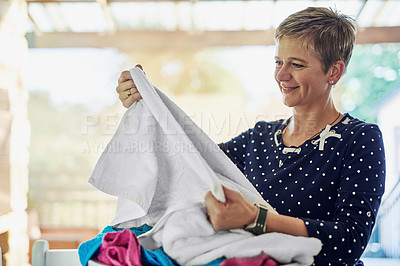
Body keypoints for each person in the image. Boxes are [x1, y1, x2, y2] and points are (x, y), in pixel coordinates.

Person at [115, 7, 385, 266]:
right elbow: (189, 161)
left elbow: (350, 241)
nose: (281, 74)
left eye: (297, 64)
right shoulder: (259, 137)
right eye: (278, 62)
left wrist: (256, 219)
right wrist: (149, 106)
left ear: (333, 72)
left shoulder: (360, 138)